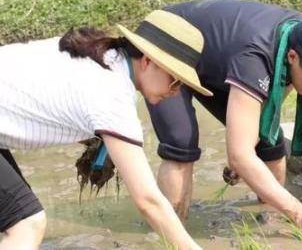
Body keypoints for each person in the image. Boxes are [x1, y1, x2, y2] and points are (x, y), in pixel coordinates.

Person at [137, 0, 302, 241]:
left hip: (218, 60)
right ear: (293, 57)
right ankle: (171, 236)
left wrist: (245, 149)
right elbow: (240, 155)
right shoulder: (256, 57)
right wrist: (299, 211)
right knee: (181, 142)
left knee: (268, 141)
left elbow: (268, 106)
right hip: (169, 43)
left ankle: (269, 223)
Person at [0, 26, 204, 249]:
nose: (176, 91)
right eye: (175, 81)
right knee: (26, 223)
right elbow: (149, 201)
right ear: (147, 61)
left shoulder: (101, 54)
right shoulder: (112, 95)